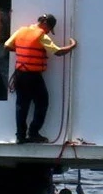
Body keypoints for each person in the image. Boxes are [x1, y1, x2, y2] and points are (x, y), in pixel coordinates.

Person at [7, 13, 76, 143]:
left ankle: (20, 136)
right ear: (44, 23)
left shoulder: (21, 31)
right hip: (33, 76)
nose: (49, 32)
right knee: (42, 103)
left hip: (20, 74)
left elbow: (7, 45)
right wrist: (72, 46)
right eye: (49, 28)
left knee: (21, 105)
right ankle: (33, 133)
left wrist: (25, 50)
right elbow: (58, 52)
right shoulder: (41, 36)